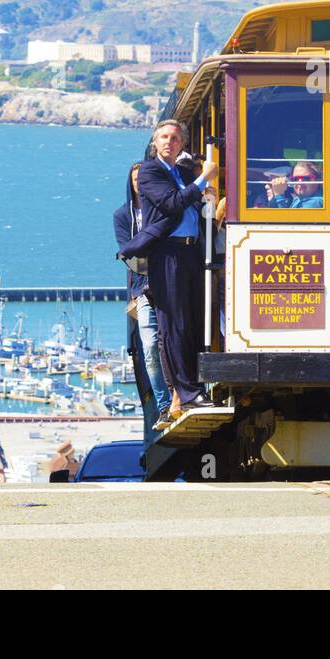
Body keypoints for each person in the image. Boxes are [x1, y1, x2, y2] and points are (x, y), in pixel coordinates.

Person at [133, 119, 220, 420]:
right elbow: (171, 204)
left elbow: (192, 203)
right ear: (155, 142)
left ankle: (197, 389)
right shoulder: (150, 171)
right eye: (163, 137)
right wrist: (202, 181)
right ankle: (186, 393)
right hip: (167, 252)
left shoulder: (181, 172)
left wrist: (204, 196)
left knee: (194, 319)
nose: (169, 142)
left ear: (182, 144)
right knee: (175, 324)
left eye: (174, 138)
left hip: (190, 250)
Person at [113, 160, 177, 447]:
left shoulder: (163, 209)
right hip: (143, 288)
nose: (141, 184)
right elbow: (129, 251)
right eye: (136, 179)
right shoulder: (122, 215)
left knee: (173, 341)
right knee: (150, 346)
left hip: (170, 282)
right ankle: (164, 403)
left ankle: (178, 396)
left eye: (145, 178)